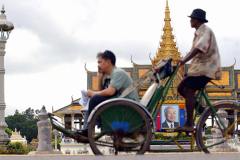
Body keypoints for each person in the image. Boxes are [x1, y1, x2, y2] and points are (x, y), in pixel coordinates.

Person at [177, 9, 221, 131]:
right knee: (180, 88)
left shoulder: (205, 31)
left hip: (207, 68)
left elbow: (198, 49)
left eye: (192, 19)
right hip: (199, 68)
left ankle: (189, 123)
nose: (190, 21)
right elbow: (196, 54)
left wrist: (183, 61)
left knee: (189, 90)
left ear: (197, 20)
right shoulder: (198, 32)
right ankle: (199, 108)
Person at [79, 50, 139, 136]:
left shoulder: (118, 73)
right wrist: (99, 78)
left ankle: (89, 129)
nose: (98, 65)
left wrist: (93, 94)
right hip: (120, 102)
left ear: (108, 62)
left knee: (95, 99)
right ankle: (88, 129)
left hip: (127, 105)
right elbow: (103, 92)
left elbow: (110, 92)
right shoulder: (110, 75)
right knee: (94, 99)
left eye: (101, 62)